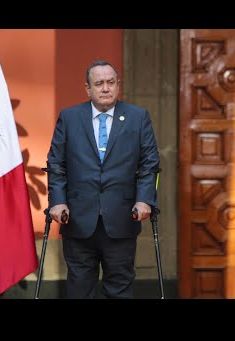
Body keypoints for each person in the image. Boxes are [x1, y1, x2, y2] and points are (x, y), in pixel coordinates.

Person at [46, 60, 160, 299]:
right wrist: (57, 201)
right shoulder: (69, 118)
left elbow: (150, 164)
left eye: (111, 82)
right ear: (88, 89)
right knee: (79, 289)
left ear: (118, 86)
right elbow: (56, 164)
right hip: (77, 218)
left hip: (122, 218)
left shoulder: (138, 117)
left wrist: (144, 200)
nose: (106, 88)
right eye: (99, 83)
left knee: (119, 288)